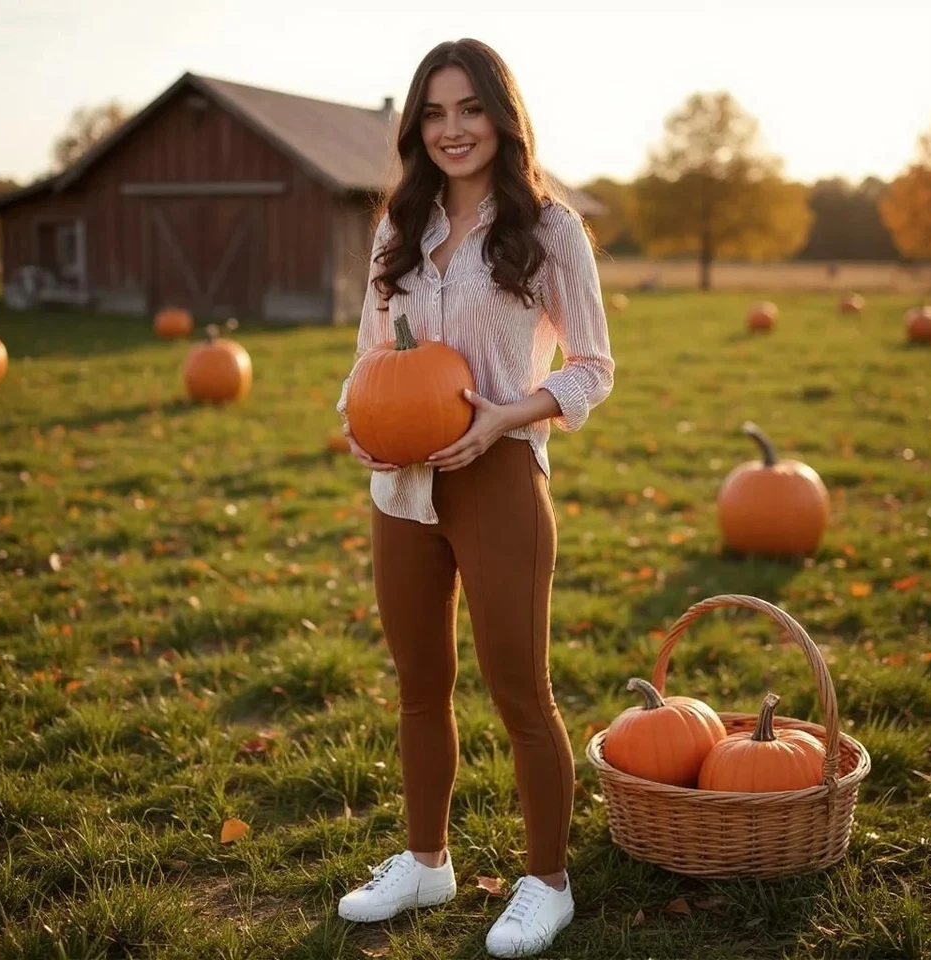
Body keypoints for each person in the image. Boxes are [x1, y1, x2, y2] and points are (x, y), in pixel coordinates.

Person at [334, 37, 614, 958]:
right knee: (421, 686)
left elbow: (593, 368)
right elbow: (374, 351)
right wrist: (356, 415)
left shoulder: (550, 228)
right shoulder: (396, 229)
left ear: (502, 116)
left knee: (519, 690)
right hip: (401, 483)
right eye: (435, 113)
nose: (453, 130)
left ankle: (548, 882)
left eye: (470, 110)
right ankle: (426, 859)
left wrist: (506, 418)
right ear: (417, 126)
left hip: (497, 475)